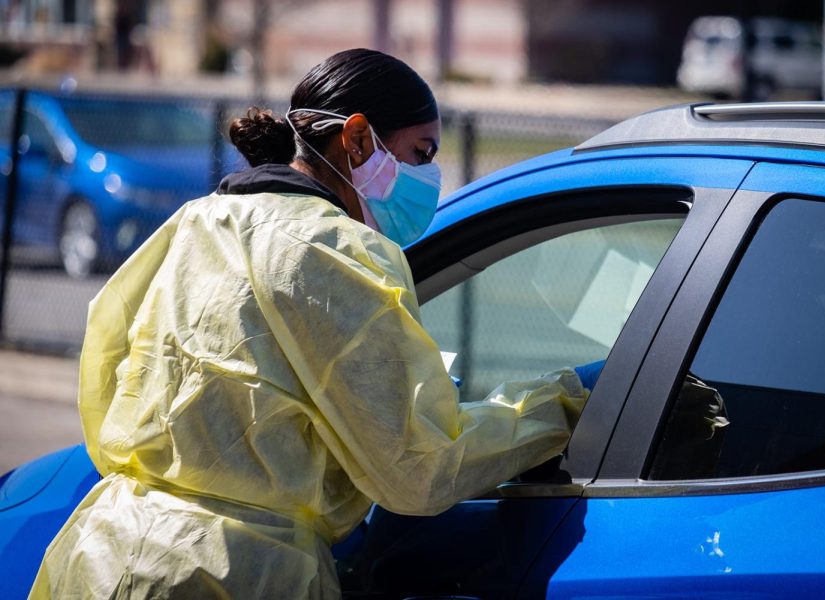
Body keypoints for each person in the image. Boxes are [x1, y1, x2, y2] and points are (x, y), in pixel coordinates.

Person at [30, 49, 593, 599]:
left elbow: (103, 364)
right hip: (233, 573)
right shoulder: (340, 252)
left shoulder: (194, 221)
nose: (428, 174)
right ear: (356, 139)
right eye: (421, 153)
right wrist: (564, 404)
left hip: (99, 554)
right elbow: (419, 467)